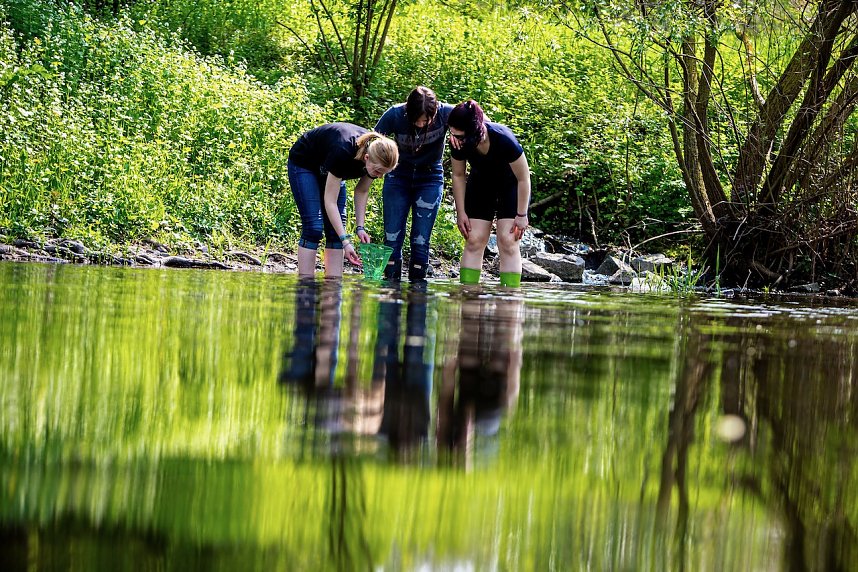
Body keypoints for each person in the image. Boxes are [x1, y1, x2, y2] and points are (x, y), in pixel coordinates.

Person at [288, 123, 399, 277]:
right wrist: (346, 241)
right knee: (313, 227)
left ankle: (332, 289)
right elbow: (330, 201)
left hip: (332, 169)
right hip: (305, 164)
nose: (379, 176)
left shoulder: (376, 160)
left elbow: (362, 190)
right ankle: (306, 287)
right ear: (366, 158)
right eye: (378, 171)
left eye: (383, 173)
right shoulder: (344, 151)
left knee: (335, 232)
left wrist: (360, 227)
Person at [448, 100, 531, 287]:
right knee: (474, 238)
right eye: (452, 133)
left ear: (474, 131)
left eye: (459, 136)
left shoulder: (504, 138)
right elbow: (458, 174)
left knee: (508, 240)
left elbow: (524, 178)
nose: (455, 139)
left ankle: (509, 300)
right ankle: (468, 297)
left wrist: (521, 214)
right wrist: (461, 212)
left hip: (511, 185)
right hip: (481, 183)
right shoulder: (457, 141)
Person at [375, 87, 454, 281]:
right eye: (416, 119)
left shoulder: (447, 113)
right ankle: (390, 291)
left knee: (421, 240)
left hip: (430, 178)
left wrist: (463, 136)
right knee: (392, 238)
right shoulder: (394, 114)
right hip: (397, 177)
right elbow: (372, 142)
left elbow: (479, 120)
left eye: (425, 120)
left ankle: (417, 291)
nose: (420, 124)